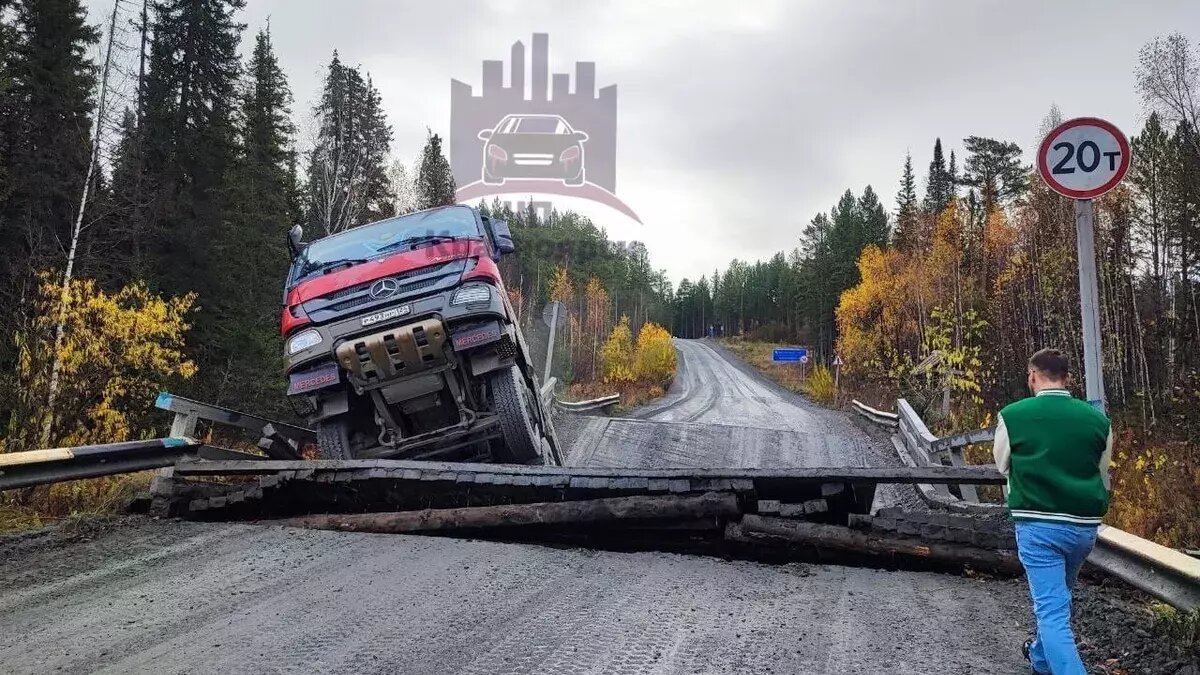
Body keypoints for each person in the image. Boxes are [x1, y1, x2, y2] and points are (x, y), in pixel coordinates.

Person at [992, 348, 1112, 675]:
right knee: (1059, 601)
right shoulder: (1099, 420)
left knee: (1051, 614)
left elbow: (1002, 464)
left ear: (1032, 376)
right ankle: (1041, 661)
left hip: (1038, 525)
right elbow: (1101, 473)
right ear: (1068, 378)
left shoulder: (1013, 415)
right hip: (1084, 528)